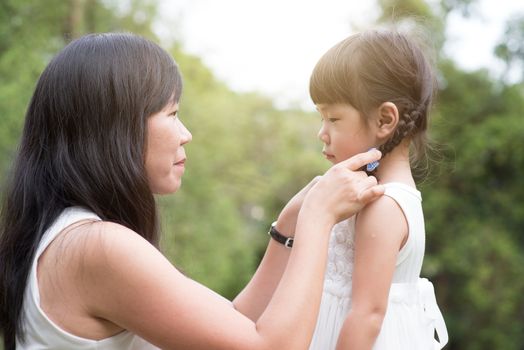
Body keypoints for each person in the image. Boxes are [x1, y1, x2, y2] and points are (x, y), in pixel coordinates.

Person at [0, 33, 384, 349]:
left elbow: (236, 327)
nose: (186, 134)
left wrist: (289, 226)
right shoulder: (95, 247)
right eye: (172, 114)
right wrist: (319, 218)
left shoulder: (69, 237)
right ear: (117, 129)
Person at [307, 29, 449, 350]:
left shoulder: (382, 205)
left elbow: (367, 316)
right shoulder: (375, 193)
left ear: (385, 120)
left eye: (333, 118)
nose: (322, 133)